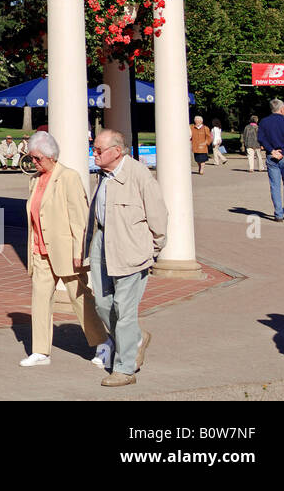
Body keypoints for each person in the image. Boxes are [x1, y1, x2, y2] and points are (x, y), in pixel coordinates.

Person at [19, 131, 109, 368]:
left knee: (79, 299)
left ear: (51, 156)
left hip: (66, 250)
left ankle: (103, 343)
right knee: (39, 300)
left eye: (37, 158)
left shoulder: (68, 177)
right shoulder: (35, 180)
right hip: (39, 250)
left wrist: (80, 250)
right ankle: (40, 351)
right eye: (31, 158)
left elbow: (80, 217)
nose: (34, 163)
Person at [86, 128, 168, 387]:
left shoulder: (138, 175)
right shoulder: (103, 175)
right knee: (101, 304)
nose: (94, 153)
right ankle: (137, 338)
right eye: (93, 148)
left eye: (99, 149)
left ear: (117, 151)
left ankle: (125, 368)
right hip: (102, 244)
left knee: (124, 309)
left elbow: (158, 215)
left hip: (131, 248)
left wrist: (152, 249)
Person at [258, 99, 284, 222]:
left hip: (272, 155)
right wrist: (283, 151)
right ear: (282, 109)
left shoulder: (264, 122)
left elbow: (261, 139)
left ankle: (278, 214)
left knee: (275, 186)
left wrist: (272, 150)